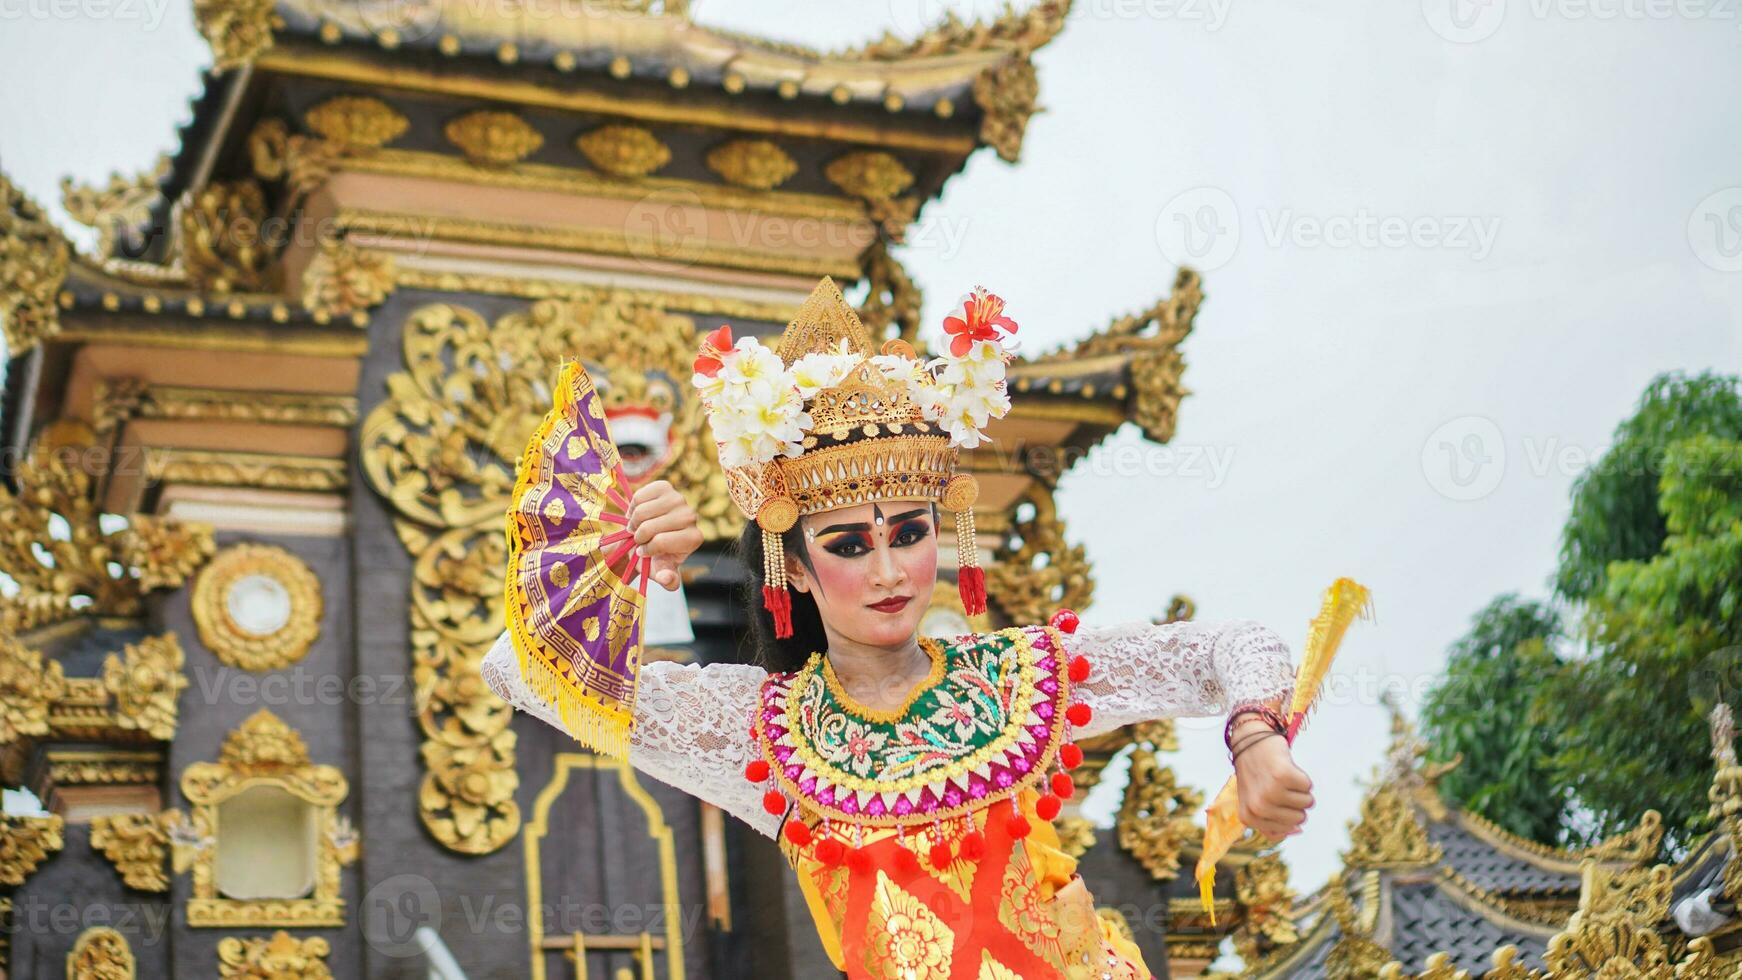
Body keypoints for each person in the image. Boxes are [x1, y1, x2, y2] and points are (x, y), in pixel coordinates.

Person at [483, 277, 1313, 979]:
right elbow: (513, 671)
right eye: (849, 545)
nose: (888, 573)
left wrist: (1253, 739)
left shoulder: (1024, 676)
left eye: (909, 534)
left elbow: (1231, 645)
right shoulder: (758, 735)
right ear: (795, 569)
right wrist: (621, 558)